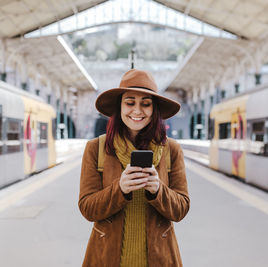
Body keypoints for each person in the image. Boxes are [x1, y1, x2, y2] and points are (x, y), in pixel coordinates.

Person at [78, 69, 190, 267]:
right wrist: (119, 189)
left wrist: (158, 190)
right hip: (106, 259)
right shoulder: (96, 148)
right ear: (119, 107)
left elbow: (181, 209)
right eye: (130, 103)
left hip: (160, 259)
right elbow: (87, 208)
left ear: (154, 109)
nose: (137, 111)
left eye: (146, 104)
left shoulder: (171, 150)